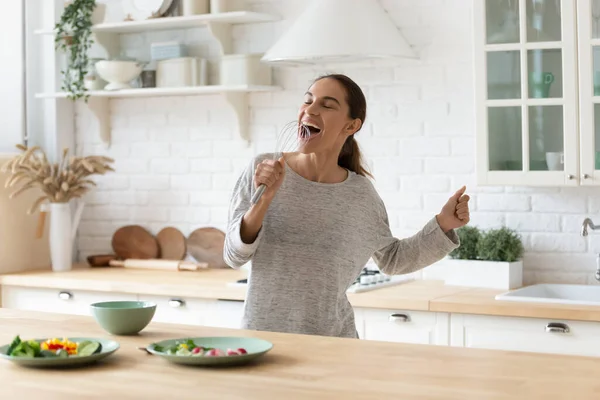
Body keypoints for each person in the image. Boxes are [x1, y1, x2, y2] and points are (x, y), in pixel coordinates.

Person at [223, 73, 470, 339]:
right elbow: (234, 256)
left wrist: (444, 224)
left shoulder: (360, 194)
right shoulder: (263, 169)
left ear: (351, 126)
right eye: (308, 101)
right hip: (264, 340)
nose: (311, 110)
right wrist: (265, 199)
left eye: (327, 105)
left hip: (334, 343)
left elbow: (393, 259)